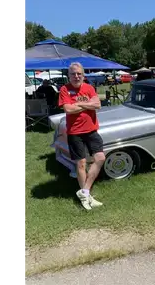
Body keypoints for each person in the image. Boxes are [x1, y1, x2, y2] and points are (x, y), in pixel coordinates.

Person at [58, 62, 106, 210]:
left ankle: (84, 192)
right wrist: (87, 103)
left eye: (79, 73)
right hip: (75, 132)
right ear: (69, 75)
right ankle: (87, 197)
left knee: (100, 158)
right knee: (81, 164)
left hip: (91, 130)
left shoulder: (89, 88)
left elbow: (97, 104)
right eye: (73, 74)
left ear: (83, 75)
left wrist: (78, 105)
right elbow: (68, 109)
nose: (76, 76)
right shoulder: (64, 89)